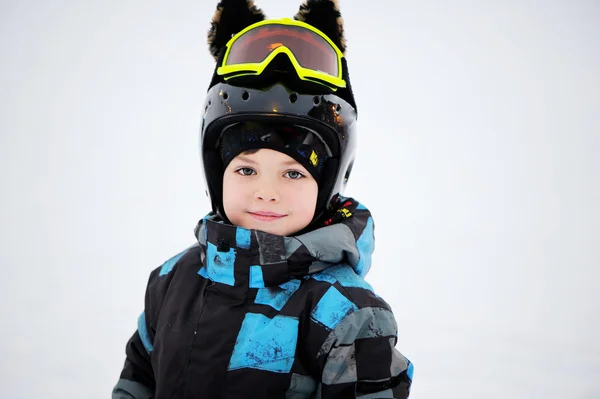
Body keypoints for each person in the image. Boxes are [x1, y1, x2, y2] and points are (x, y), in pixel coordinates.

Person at [112, 0, 414, 397]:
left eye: (293, 173)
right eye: (246, 169)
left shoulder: (346, 313)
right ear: (215, 175)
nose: (266, 192)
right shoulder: (174, 280)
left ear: (329, 184)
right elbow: (138, 381)